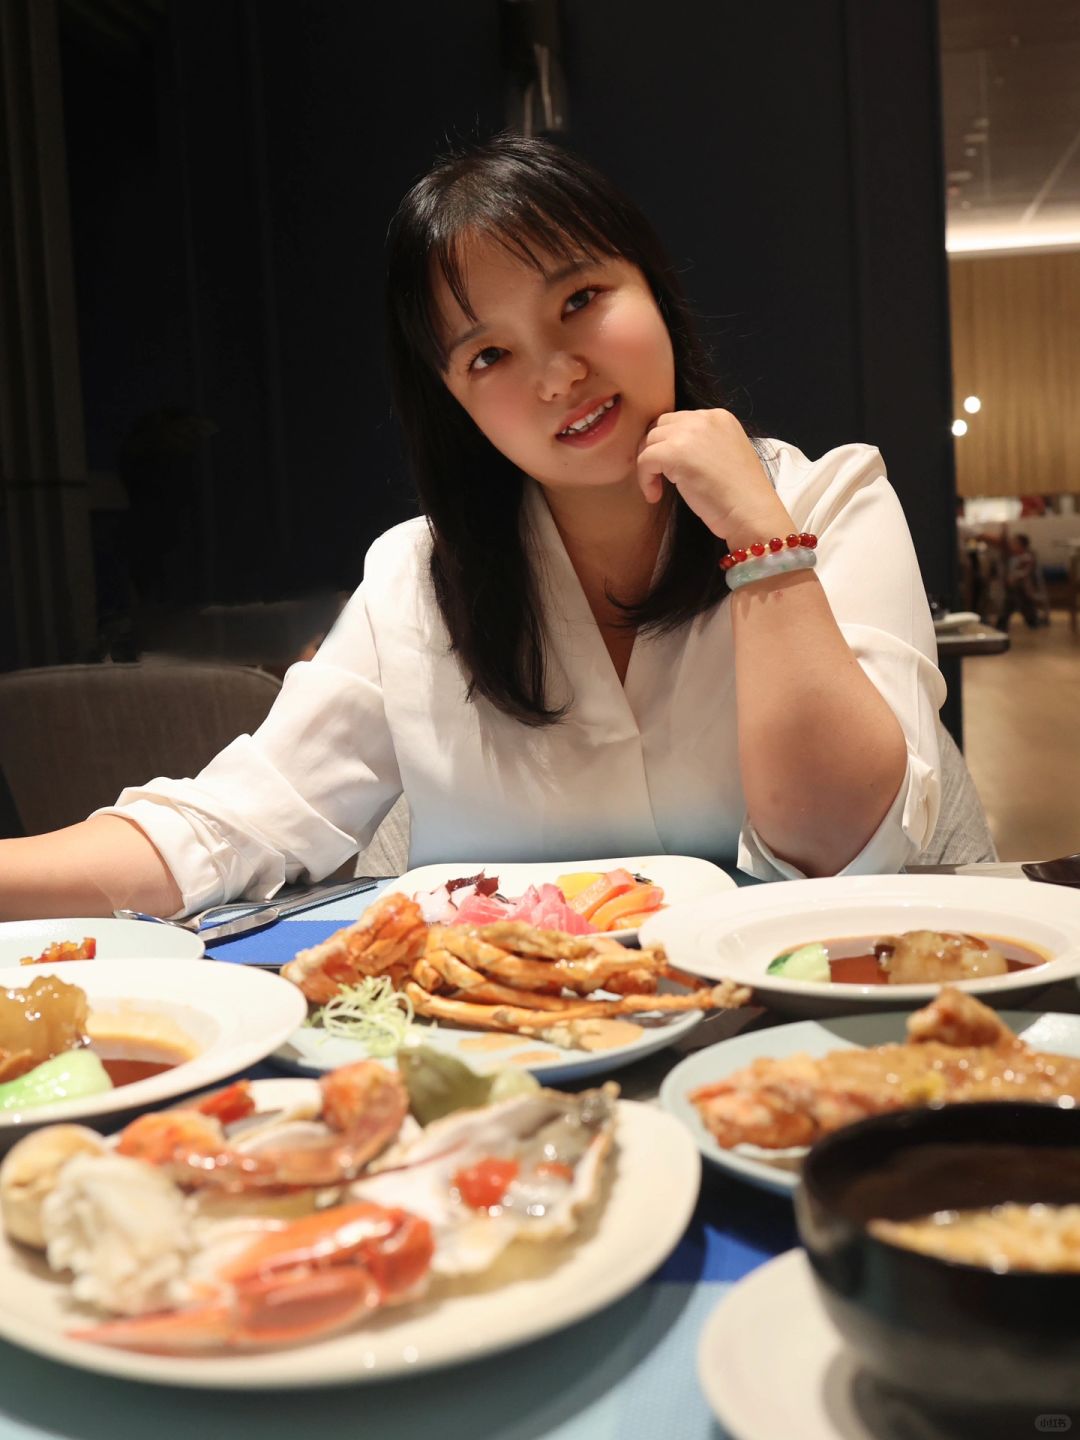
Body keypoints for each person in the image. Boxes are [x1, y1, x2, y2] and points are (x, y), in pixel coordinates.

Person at [0, 135, 945, 922]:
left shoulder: (828, 501)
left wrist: (762, 546)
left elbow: (837, 849)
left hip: (776, 1044)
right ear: (454, 401)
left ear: (653, 288)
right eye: (489, 354)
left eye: (580, 300)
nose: (557, 375)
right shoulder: (419, 574)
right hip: (495, 1053)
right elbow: (232, 826)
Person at [995, 533, 1046, 630]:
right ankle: (1031, 620)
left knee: (1018, 602)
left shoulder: (1026, 558)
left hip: (1024, 586)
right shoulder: (1012, 557)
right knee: (1014, 602)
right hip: (1014, 588)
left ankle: (1004, 622)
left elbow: (1025, 572)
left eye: (1015, 543)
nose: (1012, 545)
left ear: (1022, 546)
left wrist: (1014, 578)